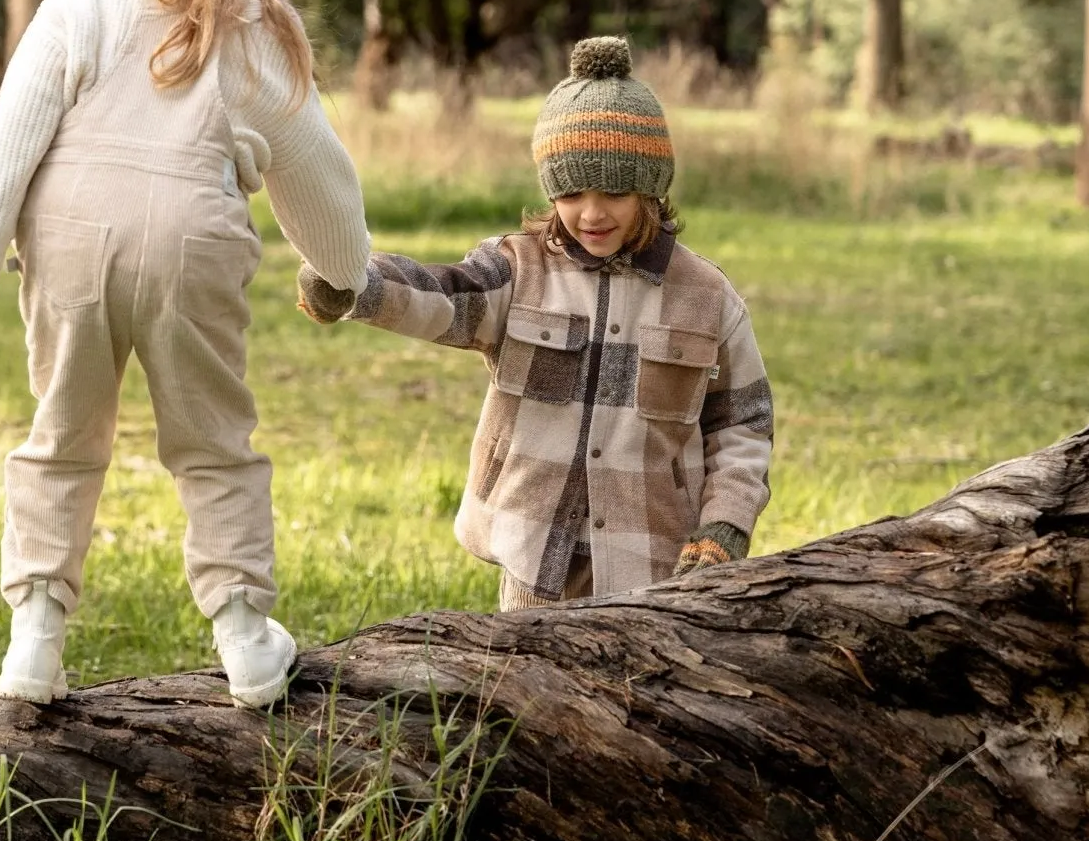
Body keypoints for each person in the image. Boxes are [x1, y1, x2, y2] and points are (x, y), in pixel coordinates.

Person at [0, 0, 370, 705]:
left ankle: (36, 635)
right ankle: (246, 635)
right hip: (191, 246)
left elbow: (20, 120)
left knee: (62, 431)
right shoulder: (262, 36)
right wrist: (342, 273)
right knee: (213, 440)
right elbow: (318, 174)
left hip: (70, 236)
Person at [296, 37, 773, 609]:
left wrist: (723, 527)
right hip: (532, 551)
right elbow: (441, 297)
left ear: (652, 190)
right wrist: (353, 286)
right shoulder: (518, 272)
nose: (591, 214)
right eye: (571, 192)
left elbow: (743, 426)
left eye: (615, 193)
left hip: (652, 560)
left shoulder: (706, 297)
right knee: (521, 687)